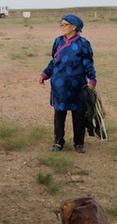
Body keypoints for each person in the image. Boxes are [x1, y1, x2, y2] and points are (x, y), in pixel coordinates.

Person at [38, 14, 96, 153]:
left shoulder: (83, 44)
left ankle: (79, 143)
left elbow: (88, 64)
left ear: (74, 27)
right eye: (61, 24)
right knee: (59, 115)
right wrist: (45, 74)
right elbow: (54, 60)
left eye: (65, 24)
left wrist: (92, 80)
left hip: (77, 86)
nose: (62, 27)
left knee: (79, 115)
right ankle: (58, 143)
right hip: (59, 87)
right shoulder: (58, 41)